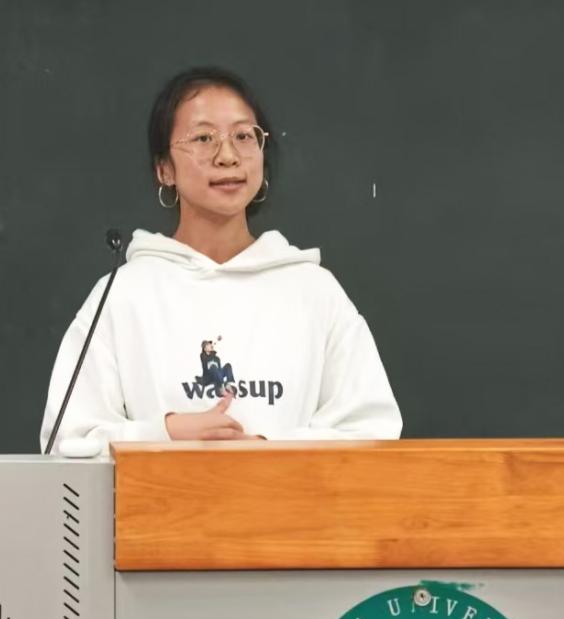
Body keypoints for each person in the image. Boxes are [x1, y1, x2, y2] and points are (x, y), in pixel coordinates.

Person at [40, 67, 401, 450]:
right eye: (203, 138)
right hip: (162, 492)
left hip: (287, 492)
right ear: (164, 169)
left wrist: (265, 450)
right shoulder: (123, 293)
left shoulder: (314, 290)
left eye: (243, 136)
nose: (227, 156)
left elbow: (372, 431)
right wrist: (166, 433)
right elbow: (67, 441)